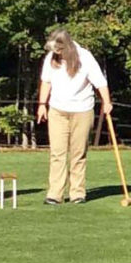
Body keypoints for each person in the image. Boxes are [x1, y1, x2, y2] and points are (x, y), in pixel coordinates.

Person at [36, 28, 113, 205]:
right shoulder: (51, 59)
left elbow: (100, 82)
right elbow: (46, 82)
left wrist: (107, 102)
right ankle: (55, 193)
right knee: (57, 153)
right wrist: (42, 105)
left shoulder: (85, 57)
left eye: (59, 50)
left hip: (82, 110)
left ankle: (78, 192)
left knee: (78, 153)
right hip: (57, 110)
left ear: (67, 47)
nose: (56, 53)